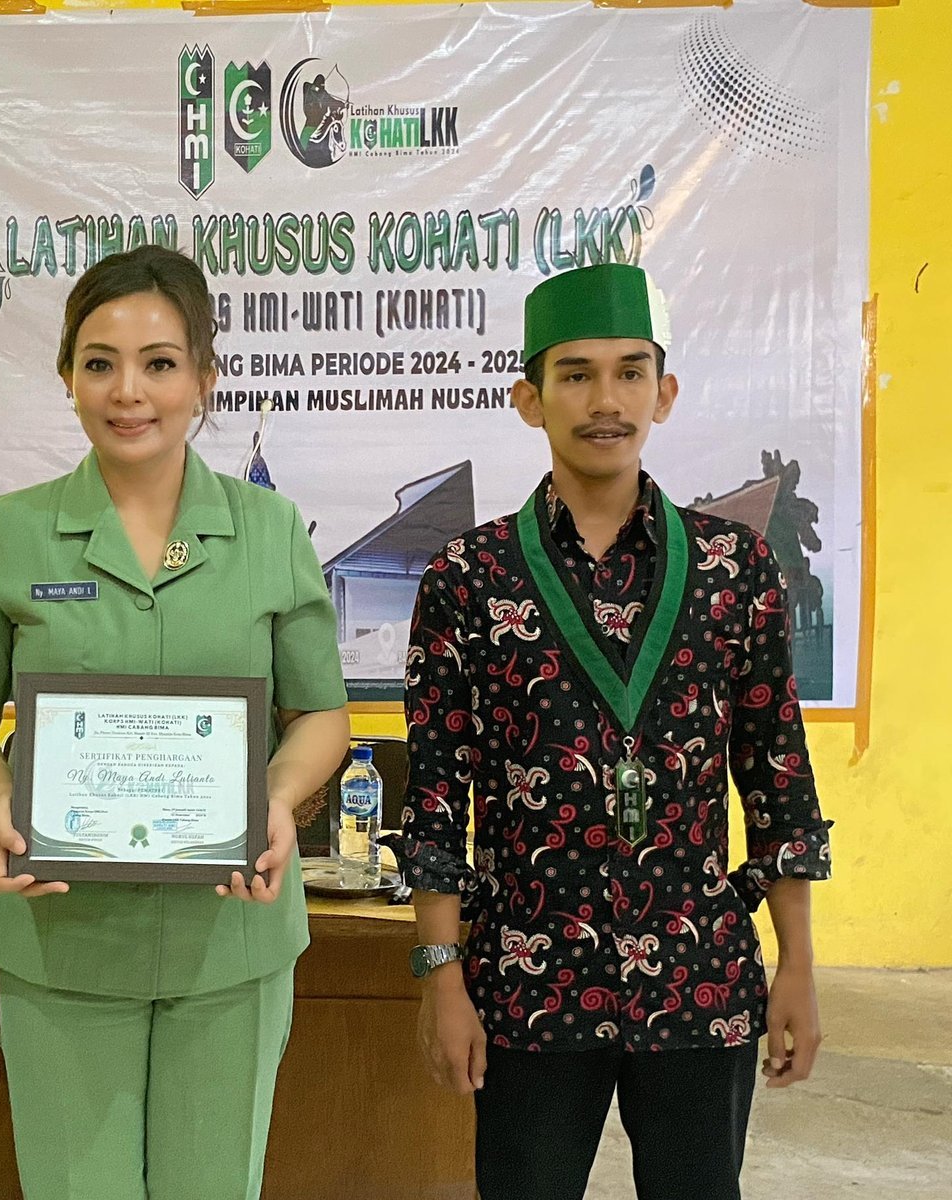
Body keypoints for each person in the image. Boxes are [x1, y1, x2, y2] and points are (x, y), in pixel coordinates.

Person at [398, 263, 833, 1200]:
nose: (606, 400)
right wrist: (442, 976)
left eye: (631, 372)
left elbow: (777, 776)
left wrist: (797, 963)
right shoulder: (470, 577)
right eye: (576, 374)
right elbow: (436, 798)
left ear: (664, 393)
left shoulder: (734, 569)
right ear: (530, 399)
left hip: (699, 977)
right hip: (527, 979)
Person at [0, 245, 350, 1200]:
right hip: (61, 937)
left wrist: (279, 797)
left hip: (231, 938)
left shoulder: (270, 529)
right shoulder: (14, 531)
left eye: (160, 362)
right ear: (67, 376)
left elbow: (319, 713)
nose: (129, 391)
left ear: (204, 378)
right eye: (99, 362)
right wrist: (0, 794)